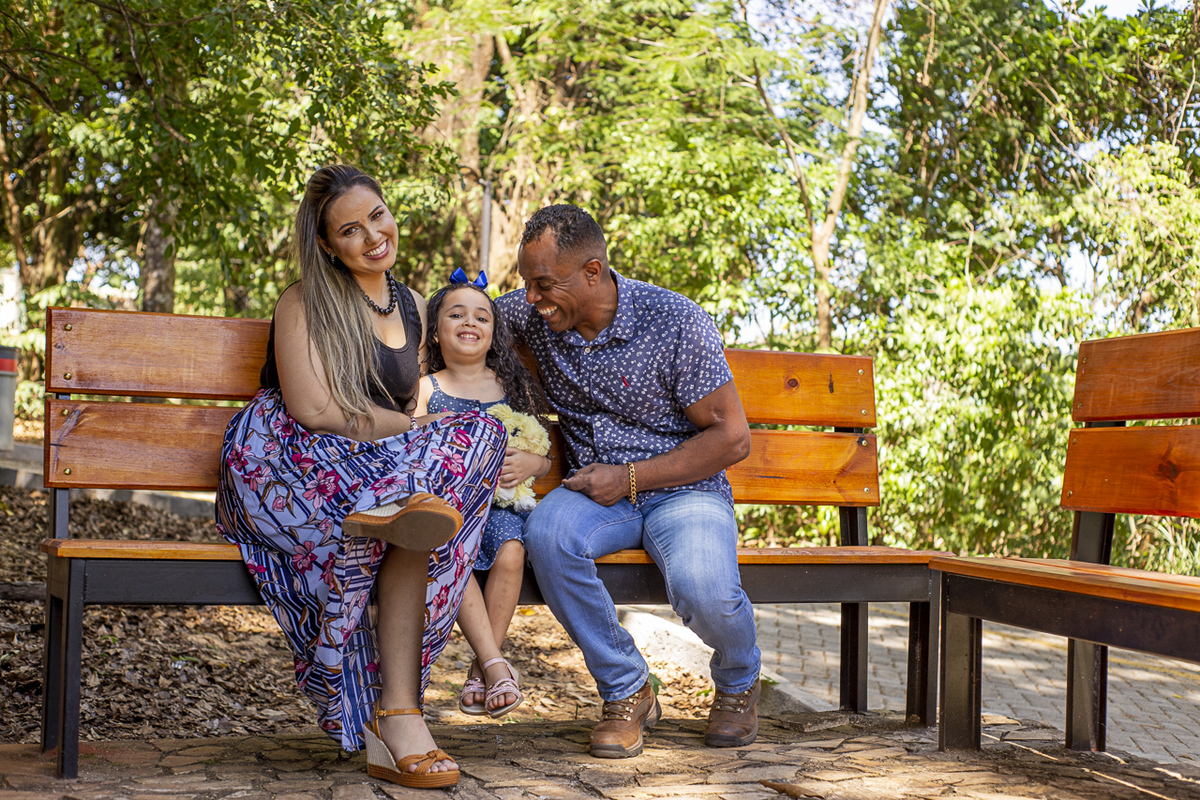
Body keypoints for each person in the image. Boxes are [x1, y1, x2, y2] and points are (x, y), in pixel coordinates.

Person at [216, 165, 507, 790]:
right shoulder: (304, 300)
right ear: (327, 245)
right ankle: (398, 715)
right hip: (286, 464)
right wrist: (407, 437)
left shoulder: (409, 304)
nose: (373, 235)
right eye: (350, 230)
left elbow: (417, 410)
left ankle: (396, 712)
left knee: (471, 447)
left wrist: (418, 441)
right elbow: (312, 409)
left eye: (377, 216)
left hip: (374, 468)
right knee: (410, 510)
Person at [495, 204, 760, 759]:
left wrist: (633, 476)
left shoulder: (675, 320)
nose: (533, 300)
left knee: (706, 590)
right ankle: (627, 688)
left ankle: (738, 682)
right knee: (547, 536)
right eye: (527, 285)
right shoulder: (534, 313)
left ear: (593, 272)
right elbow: (457, 316)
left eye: (545, 285)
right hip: (595, 490)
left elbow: (732, 439)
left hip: (684, 489)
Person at [412, 271, 552, 718]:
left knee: (512, 548)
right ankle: (494, 668)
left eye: (482, 316)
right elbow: (408, 442)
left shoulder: (512, 387)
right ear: (436, 331)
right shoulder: (427, 388)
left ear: (494, 334)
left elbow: (542, 451)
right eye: (456, 314)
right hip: (449, 510)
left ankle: (482, 667)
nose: (469, 322)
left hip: (500, 508)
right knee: (452, 549)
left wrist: (535, 465)